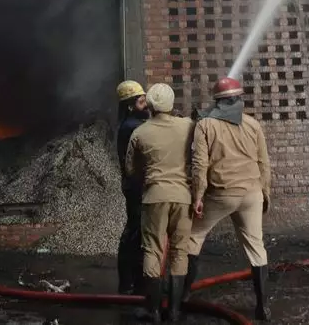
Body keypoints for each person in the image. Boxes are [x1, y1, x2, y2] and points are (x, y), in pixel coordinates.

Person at [184, 77, 273, 321]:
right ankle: (263, 307)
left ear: (218, 101)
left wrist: (197, 197)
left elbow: (200, 165)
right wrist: (265, 192)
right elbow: (264, 162)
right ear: (239, 98)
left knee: (193, 236)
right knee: (256, 247)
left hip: (222, 193)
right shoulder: (253, 124)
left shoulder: (205, 125)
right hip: (252, 192)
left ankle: (182, 298)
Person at [125, 83, 194, 323]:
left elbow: (131, 170)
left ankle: (152, 311)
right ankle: (174, 312)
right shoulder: (188, 126)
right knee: (179, 252)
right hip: (184, 198)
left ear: (151, 106)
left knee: (153, 250)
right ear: (172, 104)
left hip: (154, 197)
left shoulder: (140, 133)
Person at [115, 80, 150, 295]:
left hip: (135, 185)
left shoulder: (133, 123)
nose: (145, 104)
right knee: (135, 232)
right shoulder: (132, 127)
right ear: (129, 105)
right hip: (136, 186)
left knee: (137, 232)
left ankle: (132, 282)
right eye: (141, 101)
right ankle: (130, 284)